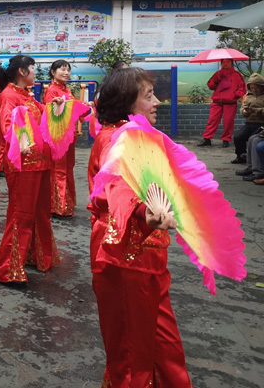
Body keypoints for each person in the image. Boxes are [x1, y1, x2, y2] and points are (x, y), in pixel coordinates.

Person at [87, 67, 191, 386]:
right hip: (124, 257)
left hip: (147, 253)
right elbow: (112, 188)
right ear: (126, 102)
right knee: (132, 353)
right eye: (149, 96)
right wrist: (145, 211)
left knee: (163, 347)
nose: (157, 102)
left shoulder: (136, 135)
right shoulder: (114, 139)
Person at [0, 55, 60, 285]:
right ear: (22, 71)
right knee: (22, 214)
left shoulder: (26, 95)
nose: (35, 72)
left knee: (39, 213)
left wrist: (58, 106)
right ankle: (6, 268)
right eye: (32, 68)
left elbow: (42, 111)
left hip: (39, 161)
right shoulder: (9, 95)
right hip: (24, 163)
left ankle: (34, 256)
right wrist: (19, 141)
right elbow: (7, 124)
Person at [43, 59, 90, 217]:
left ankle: (66, 202)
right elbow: (50, 113)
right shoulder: (52, 90)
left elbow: (72, 105)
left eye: (68, 70)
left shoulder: (64, 89)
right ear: (53, 72)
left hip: (67, 135)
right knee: (59, 170)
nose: (66, 73)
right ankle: (59, 206)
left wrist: (83, 105)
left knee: (68, 168)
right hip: (58, 136)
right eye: (62, 69)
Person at [198, 58, 246, 147]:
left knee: (228, 122)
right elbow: (211, 86)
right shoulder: (218, 74)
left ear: (231, 63)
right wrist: (216, 80)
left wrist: (234, 95)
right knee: (212, 120)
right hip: (217, 101)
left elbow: (242, 89)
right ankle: (207, 139)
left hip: (230, 102)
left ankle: (226, 140)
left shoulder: (237, 75)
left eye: (228, 62)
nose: (225, 63)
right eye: (223, 62)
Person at [231, 73, 264, 166]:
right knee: (238, 137)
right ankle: (240, 156)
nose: (254, 90)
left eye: (256, 87)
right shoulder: (249, 95)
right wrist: (244, 112)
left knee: (252, 139)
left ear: (262, 86)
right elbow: (243, 107)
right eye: (252, 87)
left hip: (261, 123)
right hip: (250, 122)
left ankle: (253, 160)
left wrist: (256, 111)